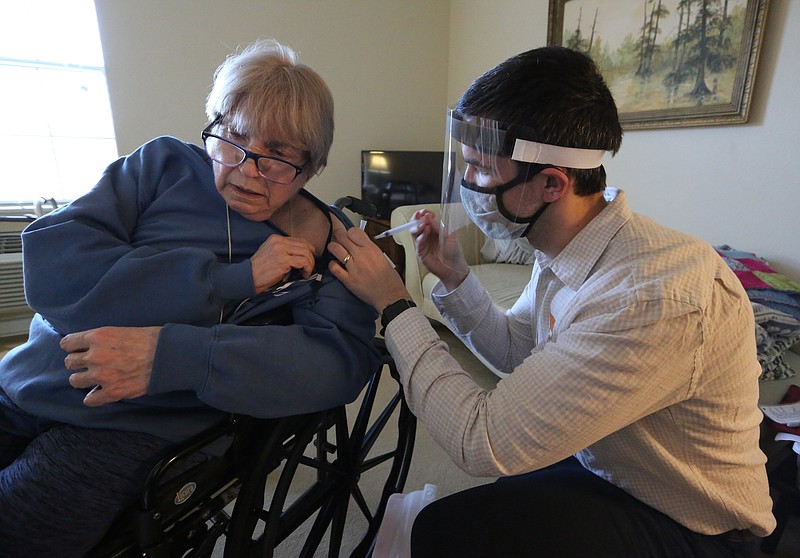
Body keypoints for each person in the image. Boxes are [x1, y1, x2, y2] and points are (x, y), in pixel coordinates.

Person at [328, 45, 775, 557]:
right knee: (483, 510)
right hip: (609, 465)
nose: (468, 184)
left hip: (693, 524)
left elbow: (481, 439)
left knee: (447, 532)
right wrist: (454, 278)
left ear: (550, 183)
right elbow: (523, 352)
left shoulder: (649, 297)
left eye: (480, 168)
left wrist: (395, 303)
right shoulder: (565, 243)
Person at [0, 38, 380, 556]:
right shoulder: (160, 166)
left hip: (128, 425)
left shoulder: (324, 241)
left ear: (311, 170)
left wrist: (174, 356)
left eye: (279, 157)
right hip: (29, 377)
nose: (248, 170)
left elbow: (339, 361)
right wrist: (232, 280)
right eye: (234, 139)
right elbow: (58, 267)